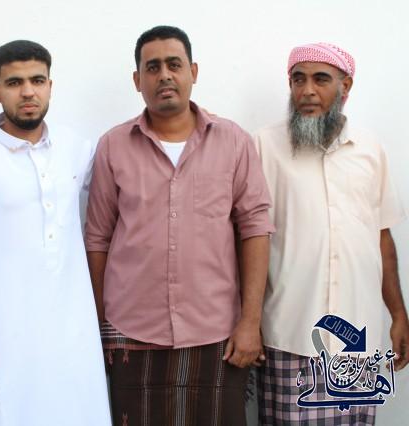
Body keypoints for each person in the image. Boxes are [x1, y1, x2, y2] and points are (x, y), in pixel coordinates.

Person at [85, 25, 274, 425]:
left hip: (217, 329)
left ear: (193, 72)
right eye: (152, 67)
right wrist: (96, 324)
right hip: (131, 330)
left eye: (174, 64)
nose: (164, 75)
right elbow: (98, 238)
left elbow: (255, 229)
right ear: (137, 80)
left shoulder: (233, 141)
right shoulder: (113, 146)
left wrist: (250, 322)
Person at [0, 40, 110, 426]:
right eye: (14, 83)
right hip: (1, 341)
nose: (28, 91)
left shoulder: (76, 149)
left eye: (37, 80)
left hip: (74, 339)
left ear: (50, 85)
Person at [254, 42, 409, 424]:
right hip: (289, 332)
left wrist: (398, 314)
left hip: (359, 337)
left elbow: (381, 238)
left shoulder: (369, 149)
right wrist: (246, 320)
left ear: (346, 85)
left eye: (320, 79)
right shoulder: (263, 146)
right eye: (298, 80)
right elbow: (249, 239)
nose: (307, 91)